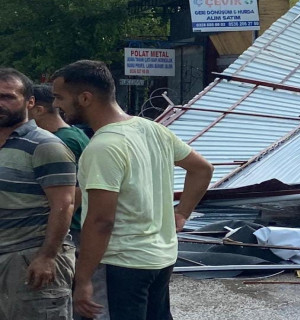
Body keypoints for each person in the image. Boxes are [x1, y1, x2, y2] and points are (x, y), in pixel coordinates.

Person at [51, 60, 213, 320]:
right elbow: (202, 169)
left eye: (60, 97)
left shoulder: (103, 146)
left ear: (85, 98)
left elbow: (102, 220)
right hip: (161, 258)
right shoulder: (153, 129)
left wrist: (82, 278)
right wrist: (182, 214)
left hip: (124, 263)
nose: (56, 105)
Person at [0, 68, 77, 319]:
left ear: (30, 102)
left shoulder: (46, 145)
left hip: (29, 259)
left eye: (8, 97)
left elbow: (65, 205)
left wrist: (46, 256)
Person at [29, 84, 90, 246]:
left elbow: (76, 190)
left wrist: (61, 226)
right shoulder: (75, 133)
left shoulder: (61, 141)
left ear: (38, 110)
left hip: (71, 228)